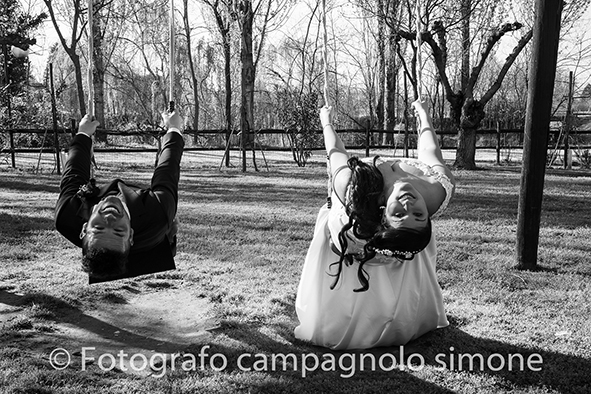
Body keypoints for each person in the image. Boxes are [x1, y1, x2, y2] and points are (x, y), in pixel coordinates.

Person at [294, 99, 455, 349]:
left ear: (384, 216)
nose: (410, 204)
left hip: (350, 219)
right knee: (399, 238)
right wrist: (423, 116)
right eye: (419, 215)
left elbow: (336, 153)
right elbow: (430, 151)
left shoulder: (352, 187)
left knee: (351, 235)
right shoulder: (437, 191)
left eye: (400, 215)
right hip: (376, 228)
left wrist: (326, 120)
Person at [55, 111, 185, 283]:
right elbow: (168, 168)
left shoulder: (67, 215)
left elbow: (74, 172)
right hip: (151, 234)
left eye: (98, 228)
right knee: (168, 226)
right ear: (131, 235)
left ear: (84, 228)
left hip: (107, 223)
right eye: (119, 230)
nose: (110, 219)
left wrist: (83, 133)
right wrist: (174, 128)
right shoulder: (157, 212)